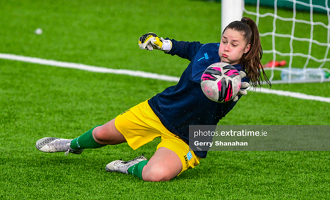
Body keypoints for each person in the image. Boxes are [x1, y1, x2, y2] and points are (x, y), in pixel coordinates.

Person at [36, 17, 270, 182]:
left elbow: (219, 101)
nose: (225, 48)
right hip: (161, 109)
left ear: (247, 48)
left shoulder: (239, 79)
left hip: (189, 136)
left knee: (155, 174)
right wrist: (161, 43)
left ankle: (130, 166)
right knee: (101, 135)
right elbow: (187, 47)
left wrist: (233, 92)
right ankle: (71, 145)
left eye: (234, 44)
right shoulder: (209, 50)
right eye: (224, 41)